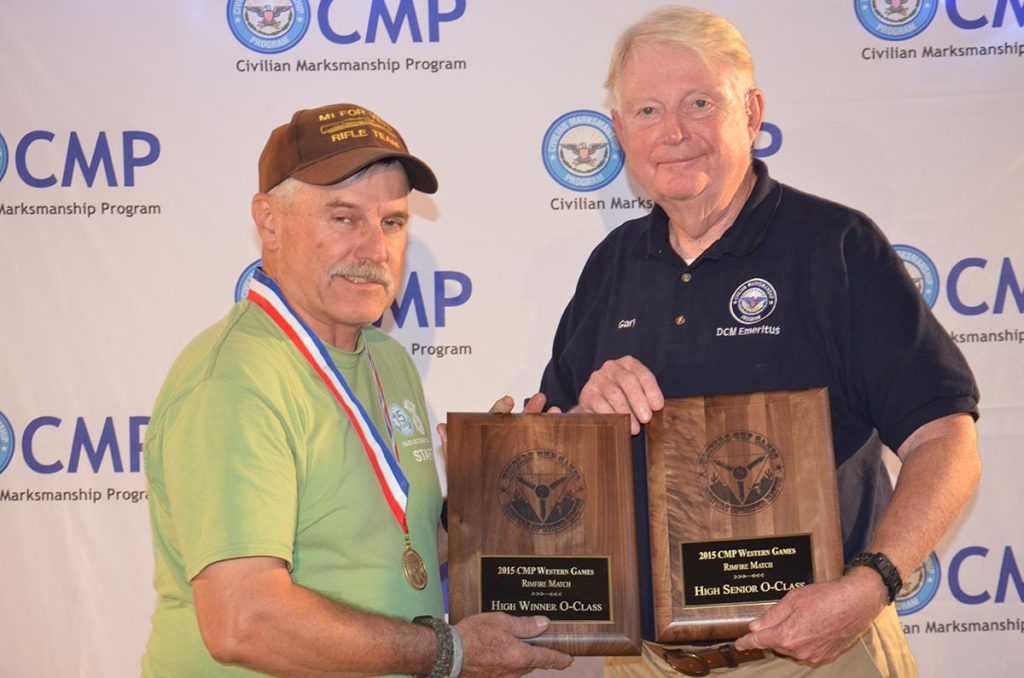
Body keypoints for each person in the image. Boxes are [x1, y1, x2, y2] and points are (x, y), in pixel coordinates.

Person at [537, 7, 981, 676]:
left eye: (699, 103)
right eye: (649, 112)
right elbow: (555, 465)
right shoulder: (611, 266)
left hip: (816, 657)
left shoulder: (834, 247)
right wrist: (576, 427)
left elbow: (945, 439)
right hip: (645, 662)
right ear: (621, 133)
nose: (675, 131)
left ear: (751, 112)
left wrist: (870, 584)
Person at [141, 103, 574, 677]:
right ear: (269, 221)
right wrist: (450, 653)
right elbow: (244, 619)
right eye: (343, 219)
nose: (375, 249)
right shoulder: (235, 381)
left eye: (392, 223)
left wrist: (489, 495)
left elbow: (397, 554)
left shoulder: (386, 359)